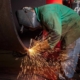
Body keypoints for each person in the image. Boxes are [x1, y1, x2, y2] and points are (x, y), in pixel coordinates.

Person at [16, 3, 80, 79]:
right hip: (68, 28)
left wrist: (39, 48)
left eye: (28, 26)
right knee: (64, 54)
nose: (30, 29)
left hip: (74, 28)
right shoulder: (41, 14)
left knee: (69, 54)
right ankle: (62, 74)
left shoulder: (46, 14)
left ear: (29, 17)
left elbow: (56, 34)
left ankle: (65, 77)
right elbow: (52, 33)